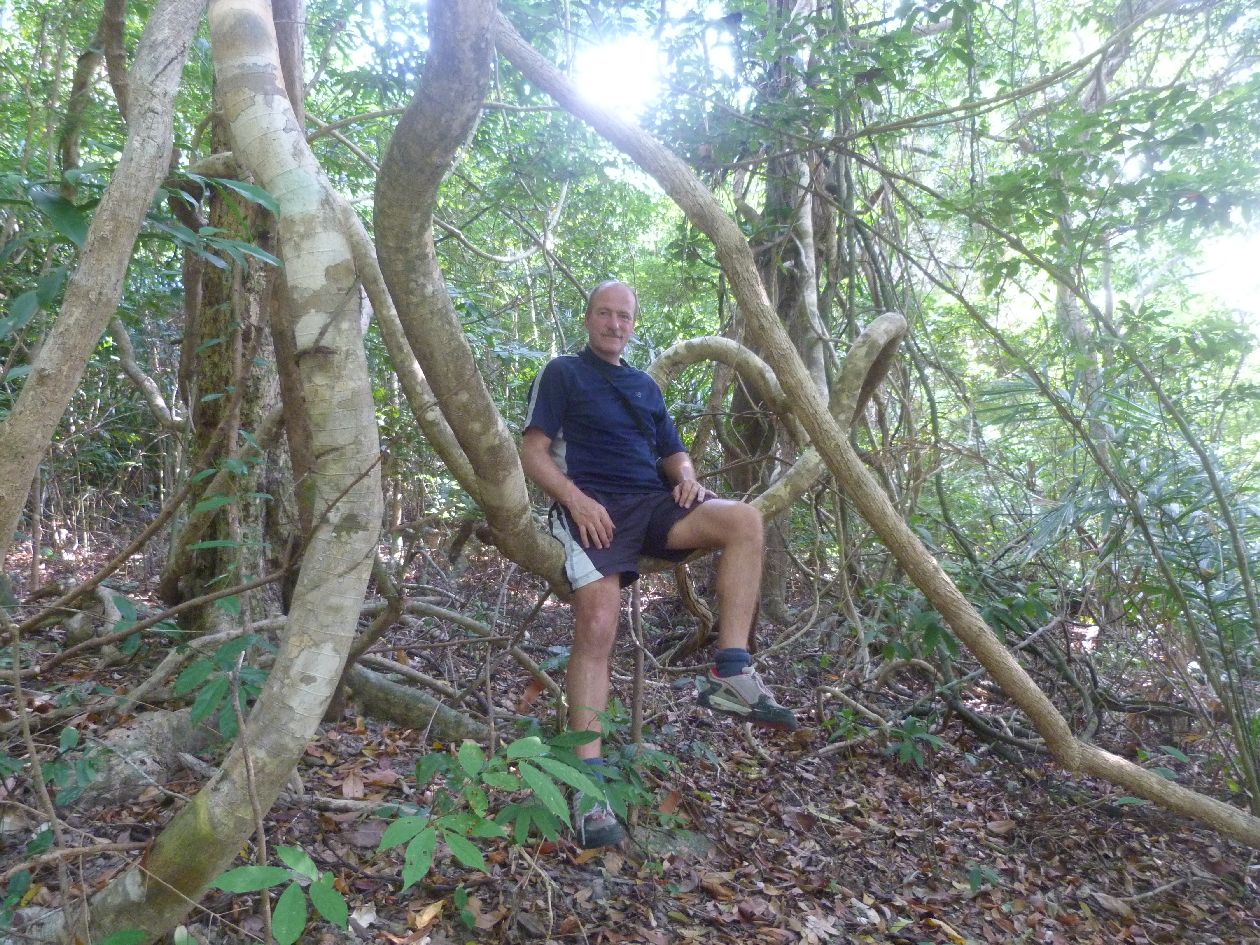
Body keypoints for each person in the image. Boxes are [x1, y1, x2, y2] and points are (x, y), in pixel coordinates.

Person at [520, 280, 797, 848]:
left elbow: (673, 452)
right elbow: (533, 451)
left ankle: (732, 669)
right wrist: (574, 499)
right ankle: (589, 786)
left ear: (633, 325)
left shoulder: (644, 386)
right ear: (588, 318)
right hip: (591, 508)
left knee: (745, 520)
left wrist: (688, 477)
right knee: (598, 625)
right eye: (605, 314)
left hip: (651, 506)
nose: (614, 324)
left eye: (624, 316)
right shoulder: (563, 373)